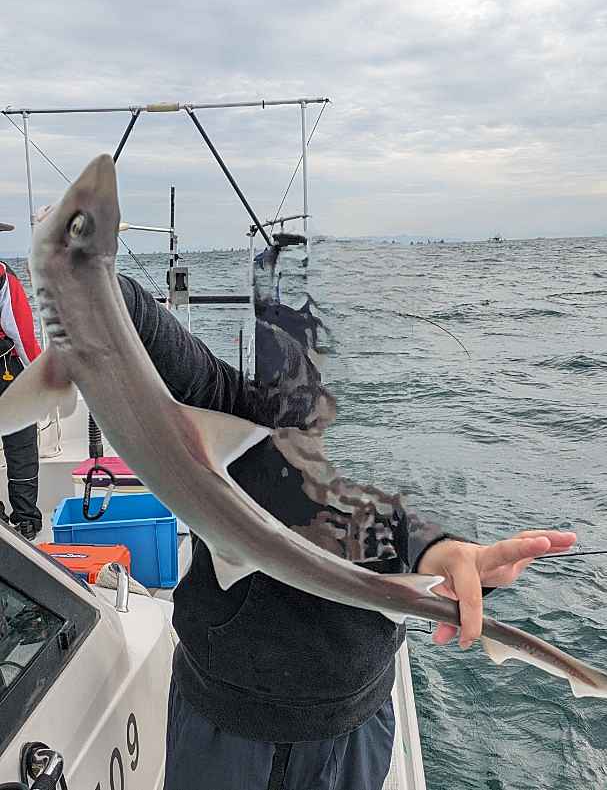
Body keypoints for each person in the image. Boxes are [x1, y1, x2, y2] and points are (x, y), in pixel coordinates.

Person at [116, 272, 575, 790]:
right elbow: (138, 317)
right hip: (226, 715)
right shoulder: (226, 406)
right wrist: (84, 262)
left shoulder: (397, 426)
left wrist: (449, 557)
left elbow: (402, 521)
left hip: (356, 717)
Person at [0, 228, 43, 541]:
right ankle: (26, 520)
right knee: (21, 445)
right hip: (5, 371)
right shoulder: (3, 276)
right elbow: (21, 332)